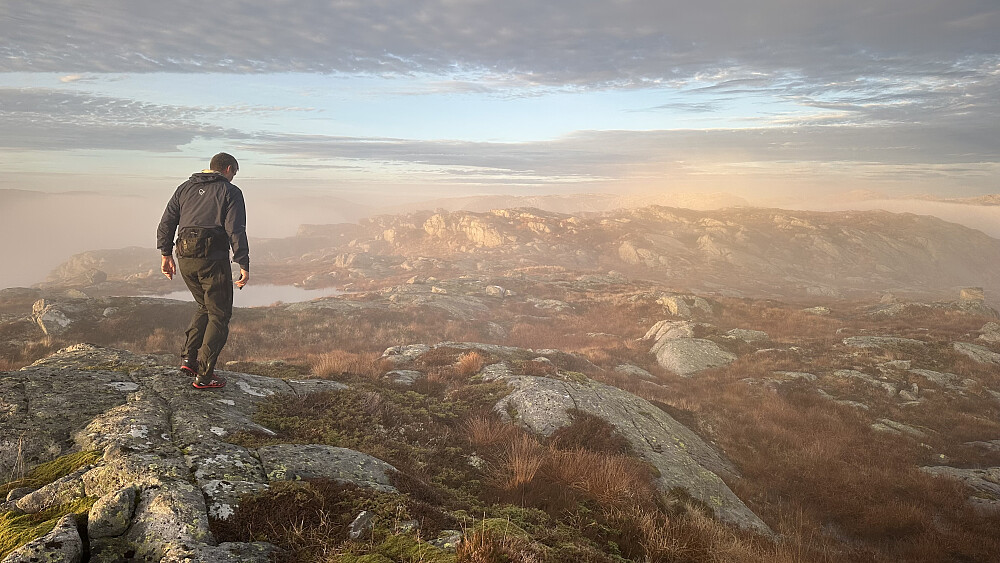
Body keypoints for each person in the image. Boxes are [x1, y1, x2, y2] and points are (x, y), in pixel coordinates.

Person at [156, 153, 250, 389]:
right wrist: (243, 263)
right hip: (213, 260)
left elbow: (166, 222)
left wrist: (166, 255)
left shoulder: (185, 188)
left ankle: (189, 358)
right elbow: (236, 230)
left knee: (204, 306)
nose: (233, 178)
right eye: (234, 173)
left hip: (185, 257)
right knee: (219, 314)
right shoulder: (230, 192)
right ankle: (205, 375)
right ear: (228, 169)